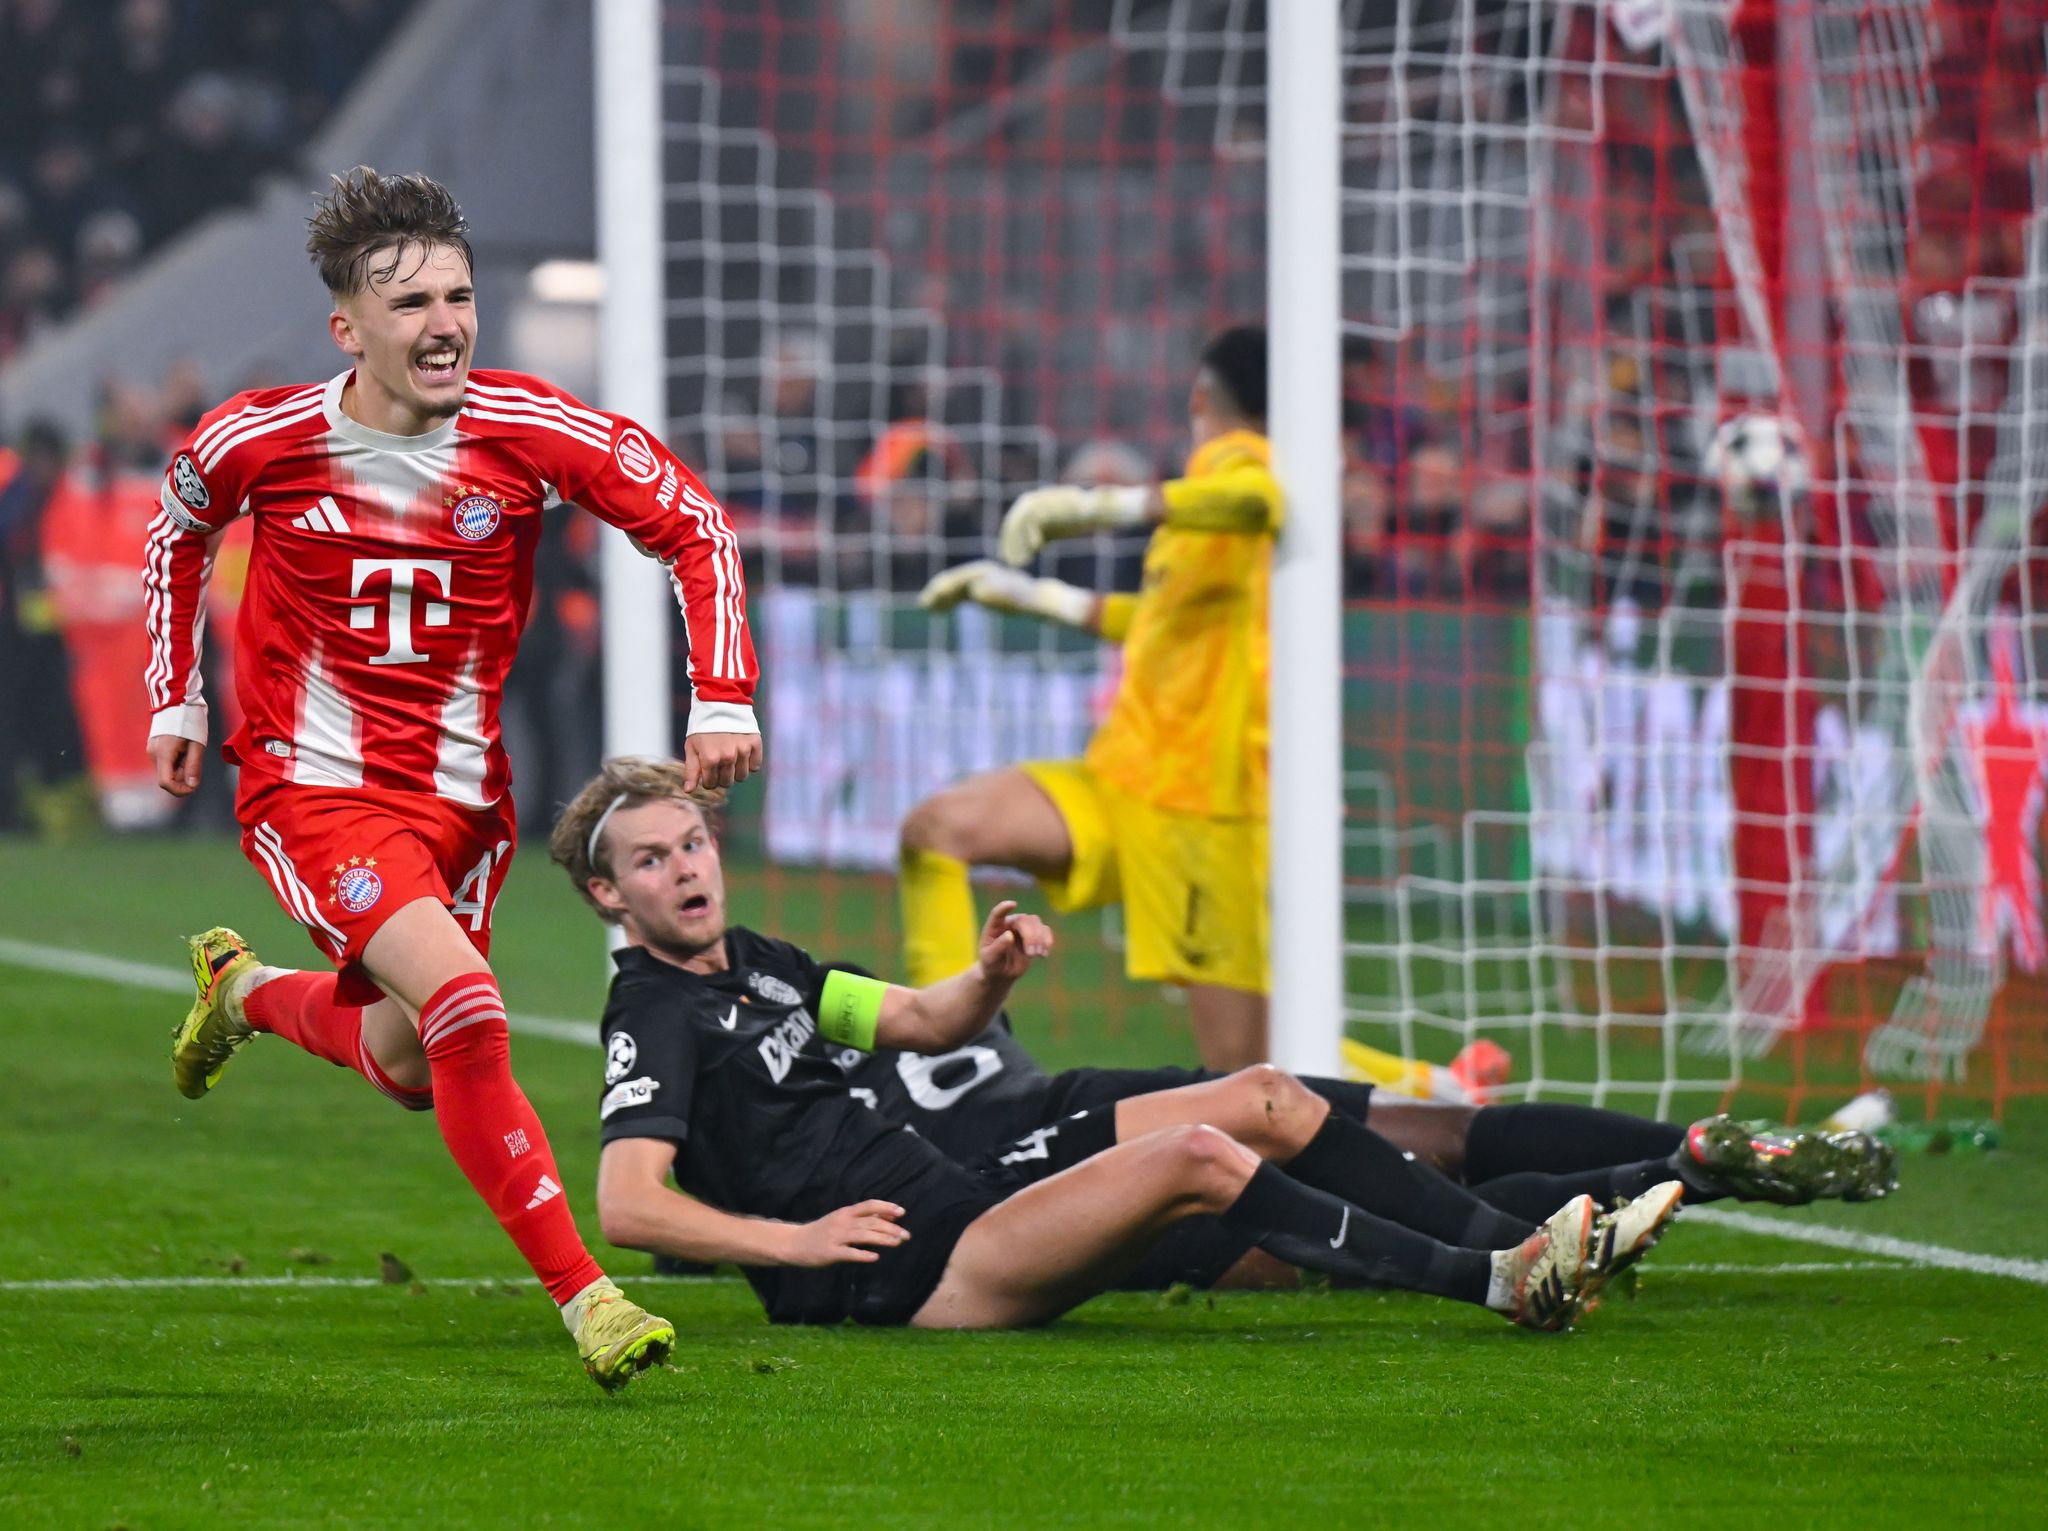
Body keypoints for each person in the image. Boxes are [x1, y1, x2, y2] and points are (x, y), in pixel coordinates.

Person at [142, 168, 761, 1392]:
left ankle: (243, 992)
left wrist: (723, 691)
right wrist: (178, 694)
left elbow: (694, 523)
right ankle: (588, 1299)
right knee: (468, 1005)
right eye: (413, 302)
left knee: (407, 1063)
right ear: (348, 327)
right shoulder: (259, 438)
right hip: (313, 787)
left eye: (459, 297)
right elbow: (176, 531)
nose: (445, 325)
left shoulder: (529, 430)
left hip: (464, 803)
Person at [554, 757, 1689, 1333]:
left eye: (692, 842)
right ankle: (1500, 1283)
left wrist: (989, 976)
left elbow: (920, 1022)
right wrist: (794, 1245)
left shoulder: (762, 962)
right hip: (912, 1270)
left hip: (959, 1198)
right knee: (1197, 1154)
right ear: (610, 894)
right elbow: (628, 1205)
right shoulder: (653, 1012)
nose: (686, 868)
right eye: (651, 860)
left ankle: (1527, 1242)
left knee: (1261, 1093)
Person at [903, 326, 1281, 1069]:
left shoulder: (1241, 467)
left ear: (1199, 397)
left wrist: (1094, 505)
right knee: (938, 828)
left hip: (1199, 817)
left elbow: (1257, 498)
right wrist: (1032, 595)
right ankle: (954, 1060)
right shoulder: (1202, 505)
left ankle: (1435, 1091)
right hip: (1123, 780)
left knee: (1252, 1079)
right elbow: (1160, 622)